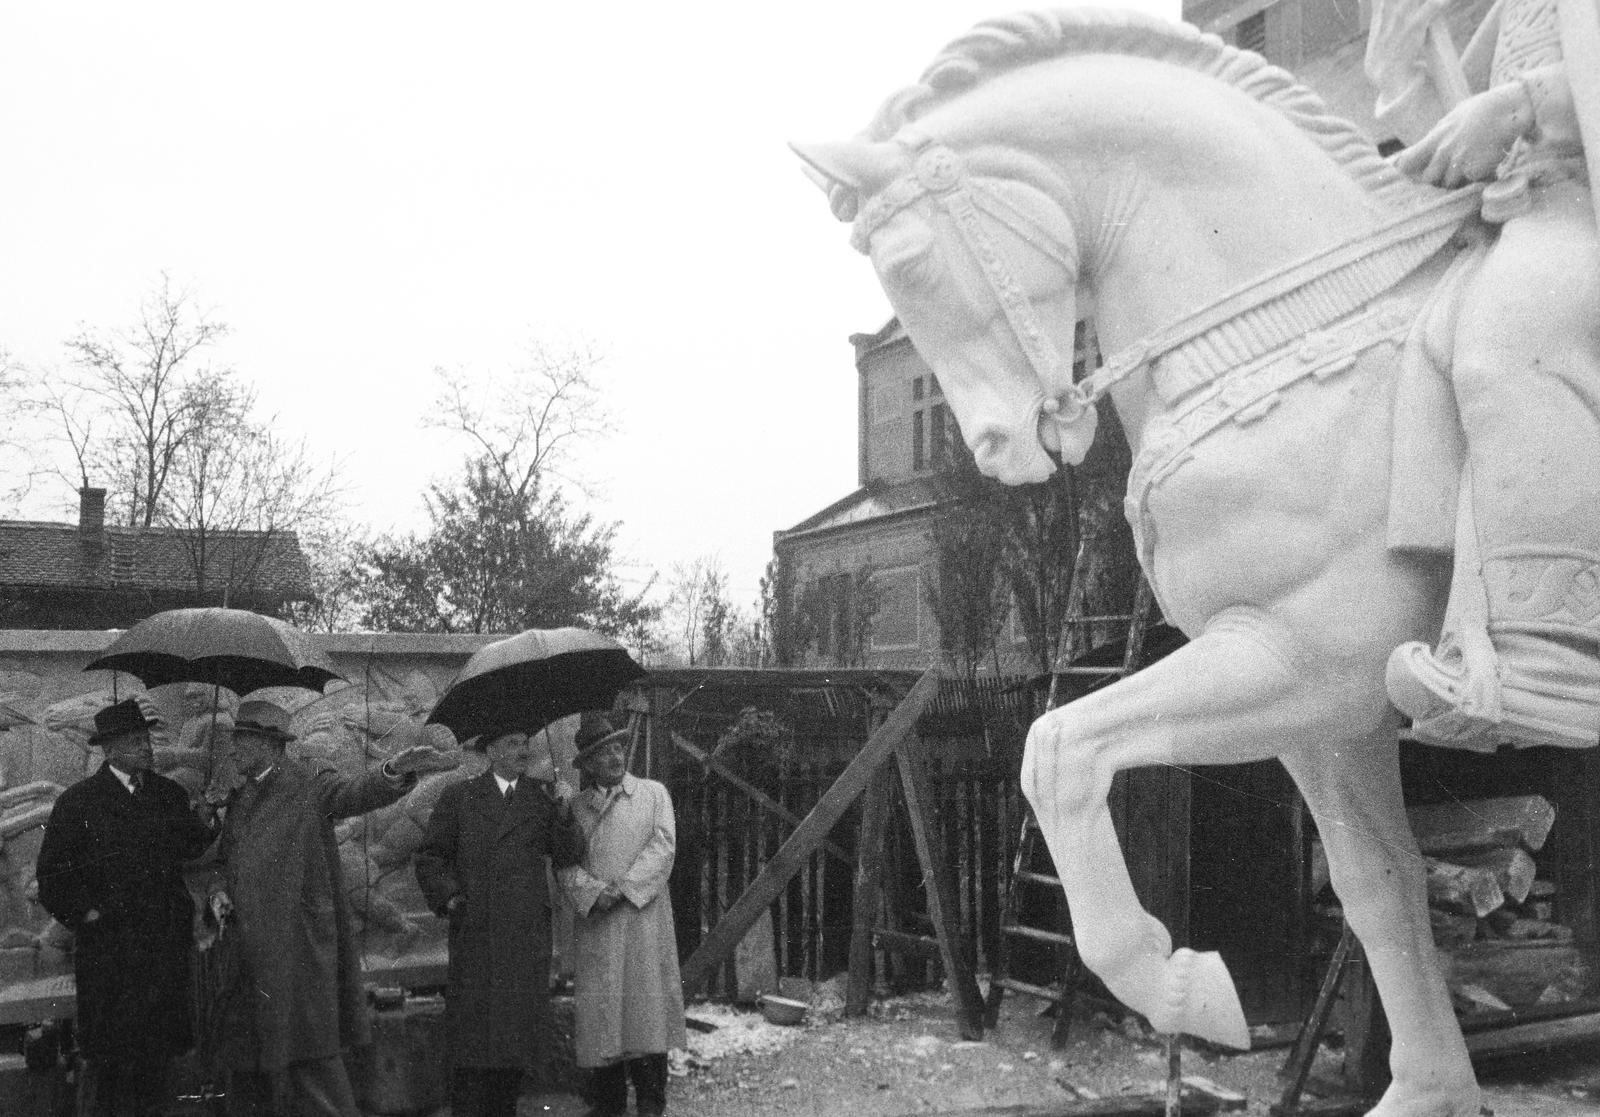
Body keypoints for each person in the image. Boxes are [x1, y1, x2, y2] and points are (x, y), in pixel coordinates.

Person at [1367, 0, 1600, 749]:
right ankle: (1456, 618)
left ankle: (1557, 659)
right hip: (1516, 220)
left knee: (1508, 337)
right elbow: (1460, 124)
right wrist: (1400, 68)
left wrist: (1524, 105)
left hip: (1577, 214)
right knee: (1419, 329)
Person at [207, 698, 457, 1117]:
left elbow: (353, 792)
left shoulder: (308, 782)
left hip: (296, 948)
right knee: (255, 1056)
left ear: (267, 744)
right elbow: (226, 859)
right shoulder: (242, 796)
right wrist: (218, 891)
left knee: (310, 1055)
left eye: (241, 741)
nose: (233, 750)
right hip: (249, 951)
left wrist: (393, 770)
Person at [35, 697, 218, 1117]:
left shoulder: (168, 794)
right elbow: (51, 877)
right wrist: (85, 915)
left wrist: (206, 820)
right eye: (137, 742)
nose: (147, 749)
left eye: (147, 740)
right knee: (113, 1062)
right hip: (111, 953)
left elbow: (191, 847)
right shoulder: (79, 802)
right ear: (110, 749)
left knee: (159, 1058)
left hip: (163, 949)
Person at [414, 727, 584, 1117]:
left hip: (523, 936)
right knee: (473, 1037)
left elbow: (567, 855)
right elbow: (431, 857)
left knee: (512, 1037)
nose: (522, 751)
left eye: (525, 744)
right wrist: (452, 897)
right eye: (512, 743)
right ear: (490, 749)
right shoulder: (459, 797)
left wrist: (563, 812)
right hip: (477, 931)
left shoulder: (541, 800)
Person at [558, 712, 685, 1117]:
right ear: (588, 763)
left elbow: (663, 847)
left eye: (617, 747)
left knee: (646, 1013)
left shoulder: (652, 795)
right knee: (603, 1017)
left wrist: (626, 889)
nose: (614, 756)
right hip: (599, 927)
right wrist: (594, 894)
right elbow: (563, 865)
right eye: (603, 751)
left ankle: (651, 1100)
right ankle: (609, 1104)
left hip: (643, 923)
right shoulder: (574, 809)